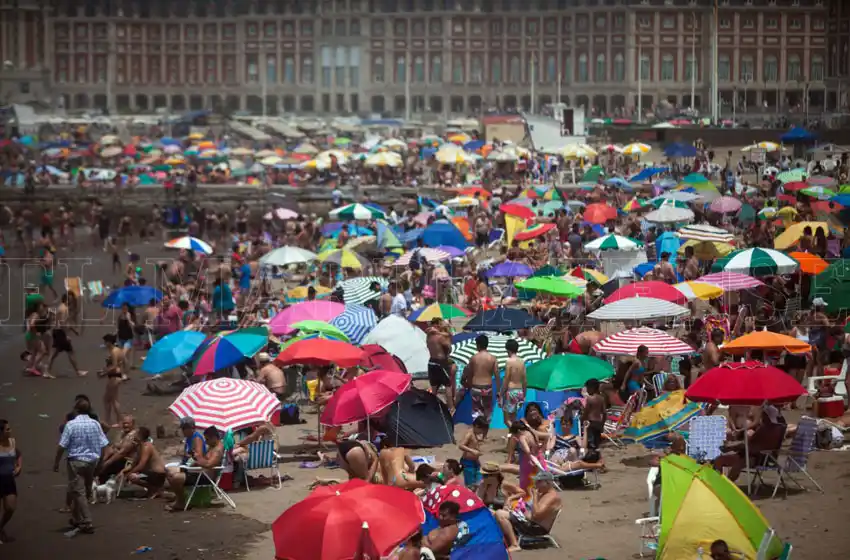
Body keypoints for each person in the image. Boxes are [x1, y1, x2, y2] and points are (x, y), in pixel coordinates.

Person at [53, 399, 110, 537]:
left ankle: (87, 521)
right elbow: (104, 444)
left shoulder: (71, 425)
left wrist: (56, 462)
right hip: (92, 462)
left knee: (79, 492)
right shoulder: (95, 424)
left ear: (76, 410)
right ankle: (76, 518)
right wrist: (101, 462)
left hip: (76, 461)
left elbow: (62, 446)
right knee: (84, 490)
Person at [494, 471, 562, 553]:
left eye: (539, 481)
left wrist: (535, 496)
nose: (535, 484)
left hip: (536, 528)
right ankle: (508, 540)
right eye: (536, 481)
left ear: (548, 483)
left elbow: (536, 515)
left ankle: (515, 545)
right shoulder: (544, 493)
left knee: (500, 514)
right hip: (531, 523)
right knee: (499, 512)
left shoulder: (551, 497)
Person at [165, 425, 224, 512]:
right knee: (170, 474)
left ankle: (181, 502)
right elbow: (205, 461)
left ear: (214, 437)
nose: (206, 442)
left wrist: (198, 458)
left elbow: (209, 464)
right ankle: (180, 499)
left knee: (175, 478)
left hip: (205, 477)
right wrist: (196, 459)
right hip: (200, 473)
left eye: (207, 439)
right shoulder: (212, 447)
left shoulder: (217, 450)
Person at [460, 335, 499, 433]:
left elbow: (469, 374)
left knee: (476, 410)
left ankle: (477, 430)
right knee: (487, 409)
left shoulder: (474, 358)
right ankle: (486, 430)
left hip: (476, 387)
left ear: (478, 345)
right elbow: (497, 375)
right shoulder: (492, 358)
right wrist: (498, 390)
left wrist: (468, 385)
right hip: (487, 387)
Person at [47, 294, 87, 377]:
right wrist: (66, 335)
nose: (71, 301)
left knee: (55, 353)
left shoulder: (61, 307)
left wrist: (73, 330)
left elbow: (64, 322)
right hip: (60, 332)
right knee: (70, 352)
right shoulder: (64, 309)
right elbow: (63, 323)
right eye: (70, 299)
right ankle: (78, 371)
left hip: (57, 331)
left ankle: (47, 370)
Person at [122, 427, 167, 498]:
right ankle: (153, 489)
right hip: (150, 473)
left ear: (139, 436)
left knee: (132, 476)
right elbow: (133, 463)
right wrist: (122, 472)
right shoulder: (139, 446)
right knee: (131, 475)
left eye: (135, 433)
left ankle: (154, 489)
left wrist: (129, 474)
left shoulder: (146, 446)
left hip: (157, 474)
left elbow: (141, 465)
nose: (133, 435)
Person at [0, 419, 22, 544]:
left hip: (8, 480)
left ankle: (0, 527)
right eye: (7, 429)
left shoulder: (12, 441)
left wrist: (19, 466)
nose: (10, 431)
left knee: (10, 508)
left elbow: (18, 454)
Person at [426, 318, 454, 405]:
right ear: (437, 325)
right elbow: (449, 348)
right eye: (440, 324)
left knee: (434, 388)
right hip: (440, 363)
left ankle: (432, 406)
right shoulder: (440, 337)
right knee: (448, 385)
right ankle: (451, 408)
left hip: (431, 362)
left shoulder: (428, 336)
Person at [500, 339, 527, 428]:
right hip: (519, 391)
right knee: (514, 418)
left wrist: (501, 394)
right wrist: (524, 394)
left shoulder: (509, 361)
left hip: (510, 391)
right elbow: (524, 380)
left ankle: (516, 433)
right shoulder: (522, 362)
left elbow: (506, 379)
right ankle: (514, 434)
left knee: (506, 420)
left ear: (508, 350)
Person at [99, 334, 124, 426]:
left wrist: (104, 372)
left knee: (113, 400)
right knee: (108, 399)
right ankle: (108, 420)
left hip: (114, 376)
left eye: (105, 342)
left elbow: (114, 366)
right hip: (117, 375)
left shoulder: (113, 352)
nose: (105, 344)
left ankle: (118, 420)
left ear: (109, 342)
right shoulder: (118, 350)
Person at [458, 417, 487, 487]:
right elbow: (461, 445)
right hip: (468, 462)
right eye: (481, 429)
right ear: (476, 426)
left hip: (476, 462)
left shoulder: (476, 434)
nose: (482, 432)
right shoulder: (469, 434)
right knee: (470, 484)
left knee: (479, 482)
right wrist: (472, 451)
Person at [583, 378, 607, 451]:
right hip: (598, 422)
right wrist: (602, 424)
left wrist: (582, 419)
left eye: (588, 388)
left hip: (590, 422)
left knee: (590, 441)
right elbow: (604, 413)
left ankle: (591, 453)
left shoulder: (589, 398)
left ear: (592, 388)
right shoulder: (601, 398)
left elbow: (586, 412)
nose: (587, 390)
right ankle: (597, 452)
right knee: (597, 441)